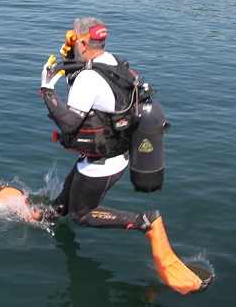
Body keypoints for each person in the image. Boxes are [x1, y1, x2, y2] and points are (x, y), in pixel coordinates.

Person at [39, 16, 159, 232]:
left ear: (84, 44)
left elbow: (68, 124)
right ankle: (45, 218)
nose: (68, 44)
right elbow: (92, 93)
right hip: (113, 151)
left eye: (72, 40)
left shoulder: (89, 78)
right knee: (64, 199)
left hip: (102, 164)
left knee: (80, 215)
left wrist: (47, 91)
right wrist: (68, 61)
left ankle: (144, 221)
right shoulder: (114, 63)